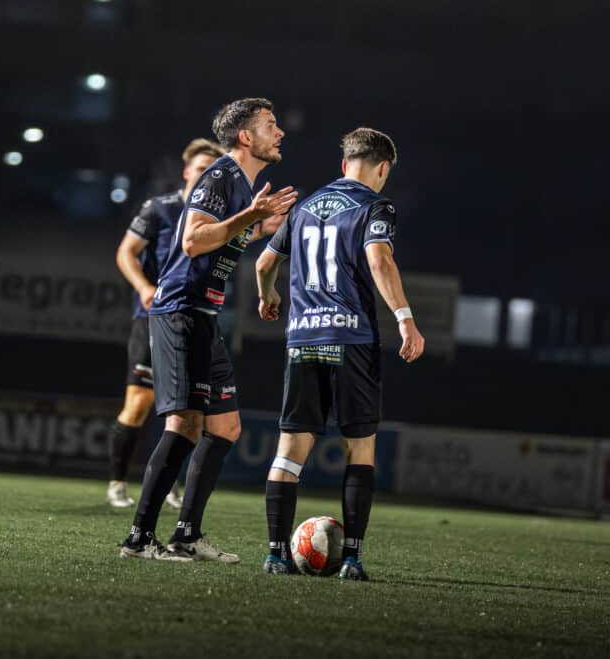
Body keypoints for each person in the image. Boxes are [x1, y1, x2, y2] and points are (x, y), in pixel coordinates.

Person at [120, 98, 297, 562]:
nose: (279, 133)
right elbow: (194, 240)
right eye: (270, 126)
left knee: (226, 427)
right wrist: (251, 218)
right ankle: (138, 538)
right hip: (180, 310)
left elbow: (223, 237)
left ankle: (186, 534)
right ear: (245, 136)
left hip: (205, 315)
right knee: (184, 425)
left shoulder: (241, 184)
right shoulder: (220, 175)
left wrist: (256, 230)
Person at [254, 127, 425, 580]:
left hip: (303, 340)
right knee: (360, 450)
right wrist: (405, 318)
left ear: (344, 163)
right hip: (352, 339)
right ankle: (351, 559)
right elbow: (379, 260)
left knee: (289, 452)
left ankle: (275, 555)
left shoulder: (304, 208)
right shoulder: (375, 205)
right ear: (382, 168)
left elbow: (264, 264)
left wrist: (267, 297)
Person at [106, 138, 226, 509]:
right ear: (187, 171)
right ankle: (117, 483)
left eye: (213, 169)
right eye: (201, 166)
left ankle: (170, 485)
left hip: (193, 319)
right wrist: (144, 288)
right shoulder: (160, 208)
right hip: (153, 317)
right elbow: (126, 251)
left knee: (189, 408)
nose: (206, 173)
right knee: (140, 404)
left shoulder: (217, 217)